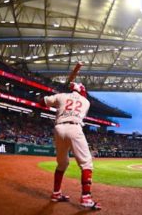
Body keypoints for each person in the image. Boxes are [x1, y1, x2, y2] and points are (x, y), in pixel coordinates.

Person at [40, 82, 101, 210]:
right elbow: (75, 103)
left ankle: (56, 193)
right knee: (86, 163)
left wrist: (57, 95)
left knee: (62, 163)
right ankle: (86, 198)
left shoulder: (61, 95)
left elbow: (42, 102)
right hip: (74, 128)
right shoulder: (86, 102)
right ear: (82, 91)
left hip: (59, 128)